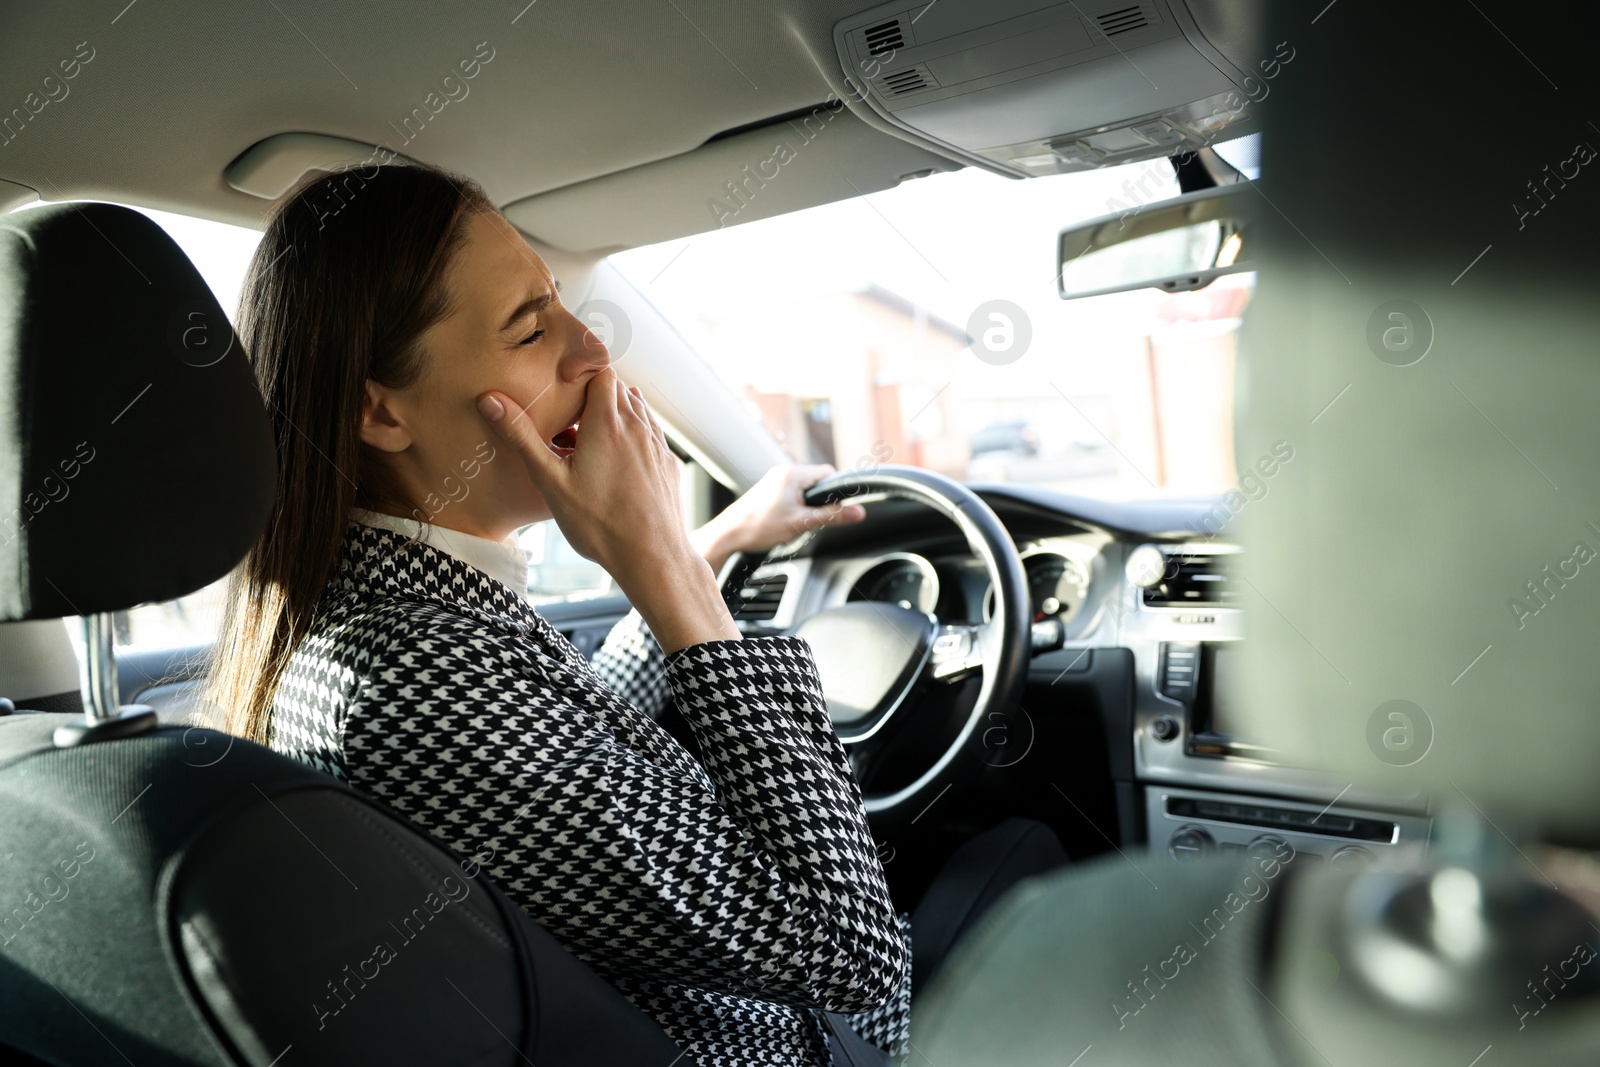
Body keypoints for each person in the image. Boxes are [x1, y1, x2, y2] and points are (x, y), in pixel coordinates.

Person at [204, 161, 910, 1066]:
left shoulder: (385, 613)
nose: (591, 352)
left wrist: (714, 540)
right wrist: (666, 573)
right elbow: (851, 951)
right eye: (533, 329)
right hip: (788, 1041)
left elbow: (573, 740)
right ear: (378, 412)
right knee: (1021, 850)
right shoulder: (408, 676)